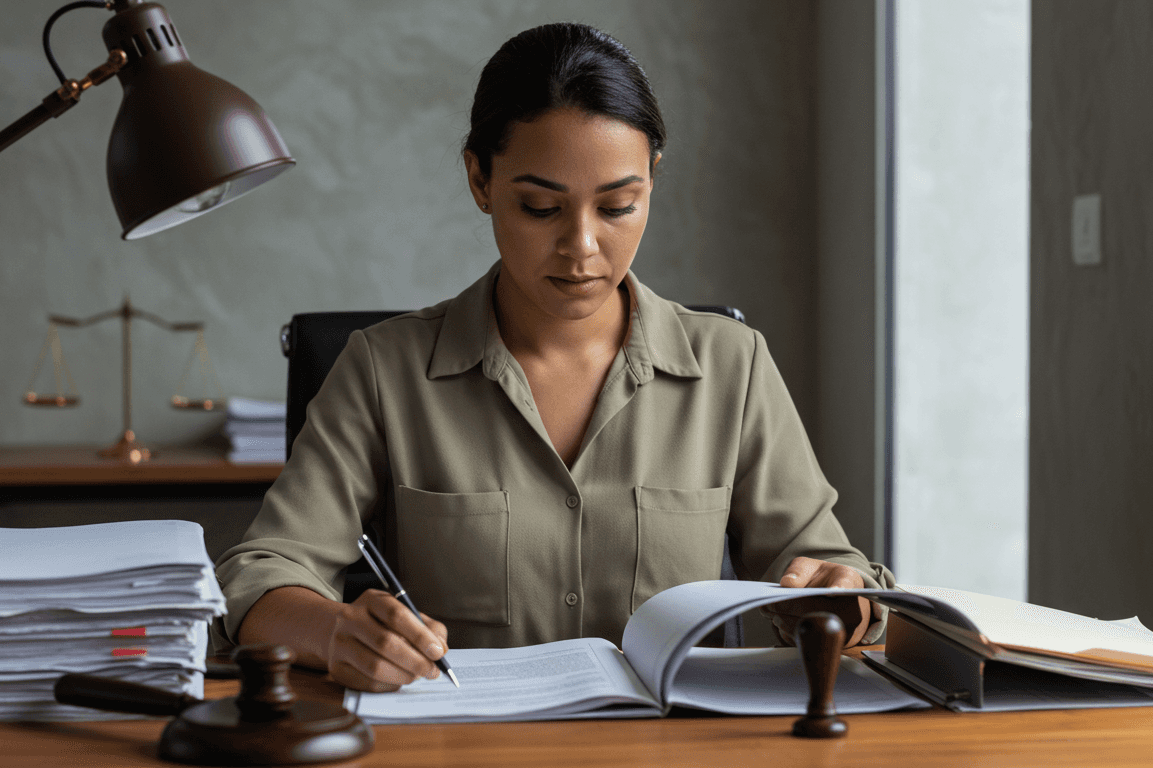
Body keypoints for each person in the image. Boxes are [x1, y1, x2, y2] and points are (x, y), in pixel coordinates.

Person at [215, 22, 895, 693]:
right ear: (480, 179)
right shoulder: (382, 371)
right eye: (541, 208)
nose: (582, 246)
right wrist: (334, 632)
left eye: (618, 206)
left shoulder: (731, 367)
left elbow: (831, 568)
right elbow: (261, 576)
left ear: (652, 182)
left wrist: (842, 594)